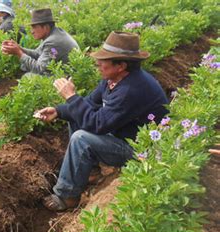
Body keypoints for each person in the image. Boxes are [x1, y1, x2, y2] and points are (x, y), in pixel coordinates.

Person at [34, 31, 169, 211]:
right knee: (76, 115)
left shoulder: (131, 89)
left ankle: (67, 196)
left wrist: (71, 96)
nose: (98, 63)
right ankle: (89, 172)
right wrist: (58, 111)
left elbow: (96, 124)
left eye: (103, 60)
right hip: (123, 133)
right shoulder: (113, 79)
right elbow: (89, 104)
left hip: (139, 150)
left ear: (120, 65)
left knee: (81, 139)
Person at [1, 8, 79, 76]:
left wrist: (19, 53)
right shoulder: (53, 34)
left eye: (34, 27)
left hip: (67, 78)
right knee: (25, 67)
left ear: (46, 27)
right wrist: (19, 48)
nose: (32, 31)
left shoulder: (53, 41)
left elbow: (39, 69)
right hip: (65, 73)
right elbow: (38, 54)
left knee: (29, 77)